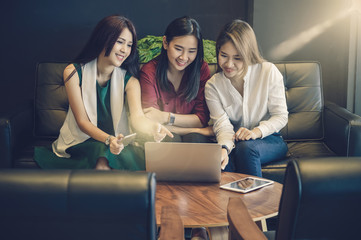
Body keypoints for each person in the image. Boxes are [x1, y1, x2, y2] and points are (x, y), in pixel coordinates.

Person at [34, 15, 172, 170]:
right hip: (83, 141)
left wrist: (152, 127)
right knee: (101, 157)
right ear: (103, 39)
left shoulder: (131, 81)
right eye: (119, 42)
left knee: (109, 158)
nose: (124, 50)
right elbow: (82, 122)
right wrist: (108, 139)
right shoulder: (73, 72)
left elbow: (137, 117)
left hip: (117, 143)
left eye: (129, 45)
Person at [205, 19, 288, 177]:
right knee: (224, 161)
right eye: (224, 56)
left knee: (246, 149)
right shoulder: (213, 86)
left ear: (249, 55)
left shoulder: (269, 72)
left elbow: (281, 116)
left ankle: (254, 202)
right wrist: (224, 149)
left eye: (237, 58)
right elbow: (223, 126)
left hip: (270, 139)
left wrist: (256, 132)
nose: (229, 64)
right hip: (234, 142)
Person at [139, 16, 213, 143]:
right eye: (178, 49)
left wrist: (166, 117)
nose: (184, 57)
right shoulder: (149, 71)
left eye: (191, 51)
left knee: (195, 138)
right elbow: (151, 118)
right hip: (162, 137)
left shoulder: (201, 69)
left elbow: (201, 119)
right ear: (165, 43)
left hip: (194, 138)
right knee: (168, 138)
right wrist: (196, 128)